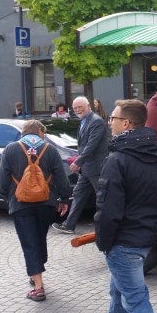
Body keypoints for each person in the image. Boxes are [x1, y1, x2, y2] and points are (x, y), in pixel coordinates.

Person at [95, 99, 157, 313]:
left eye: (113, 119)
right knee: (119, 294)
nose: (110, 123)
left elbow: (108, 209)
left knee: (135, 299)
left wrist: (104, 242)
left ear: (126, 123)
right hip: (145, 237)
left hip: (123, 241)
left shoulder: (117, 159)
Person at [0, 120, 71, 302]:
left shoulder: (11, 149)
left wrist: (11, 199)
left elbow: (1, 183)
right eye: (43, 133)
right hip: (47, 203)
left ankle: (38, 288)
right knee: (39, 237)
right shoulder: (50, 150)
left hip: (21, 204)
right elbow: (62, 178)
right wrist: (64, 199)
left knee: (29, 242)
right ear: (39, 131)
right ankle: (36, 269)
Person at [52, 96, 109, 235]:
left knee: (103, 198)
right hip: (87, 169)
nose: (77, 110)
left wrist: (78, 161)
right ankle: (69, 225)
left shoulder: (96, 122)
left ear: (88, 106)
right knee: (78, 195)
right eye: (75, 108)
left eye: (80, 107)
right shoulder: (84, 121)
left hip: (96, 168)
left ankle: (109, 226)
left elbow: (92, 145)